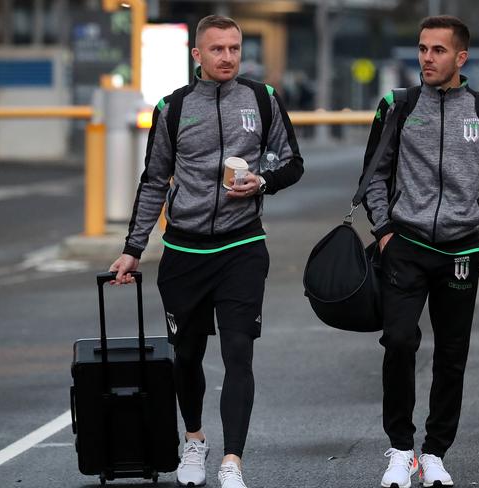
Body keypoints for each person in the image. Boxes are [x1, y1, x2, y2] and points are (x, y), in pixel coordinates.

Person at [109, 14, 303, 488]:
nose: (227, 57)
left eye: (234, 49)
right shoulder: (173, 108)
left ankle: (233, 460)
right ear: (197, 55)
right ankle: (194, 441)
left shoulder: (262, 99)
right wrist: (133, 248)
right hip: (184, 252)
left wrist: (265, 180)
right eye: (217, 49)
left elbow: (293, 161)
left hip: (242, 247)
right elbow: (154, 180)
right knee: (188, 355)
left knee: (239, 353)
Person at [362, 15, 479, 488]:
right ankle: (400, 449)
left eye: (438, 50)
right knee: (398, 341)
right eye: (421, 49)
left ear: (461, 58)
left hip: (461, 251)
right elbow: (375, 173)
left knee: (451, 354)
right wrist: (383, 231)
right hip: (406, 245)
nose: (427, 58)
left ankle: (434, 452)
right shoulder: (399, 105)